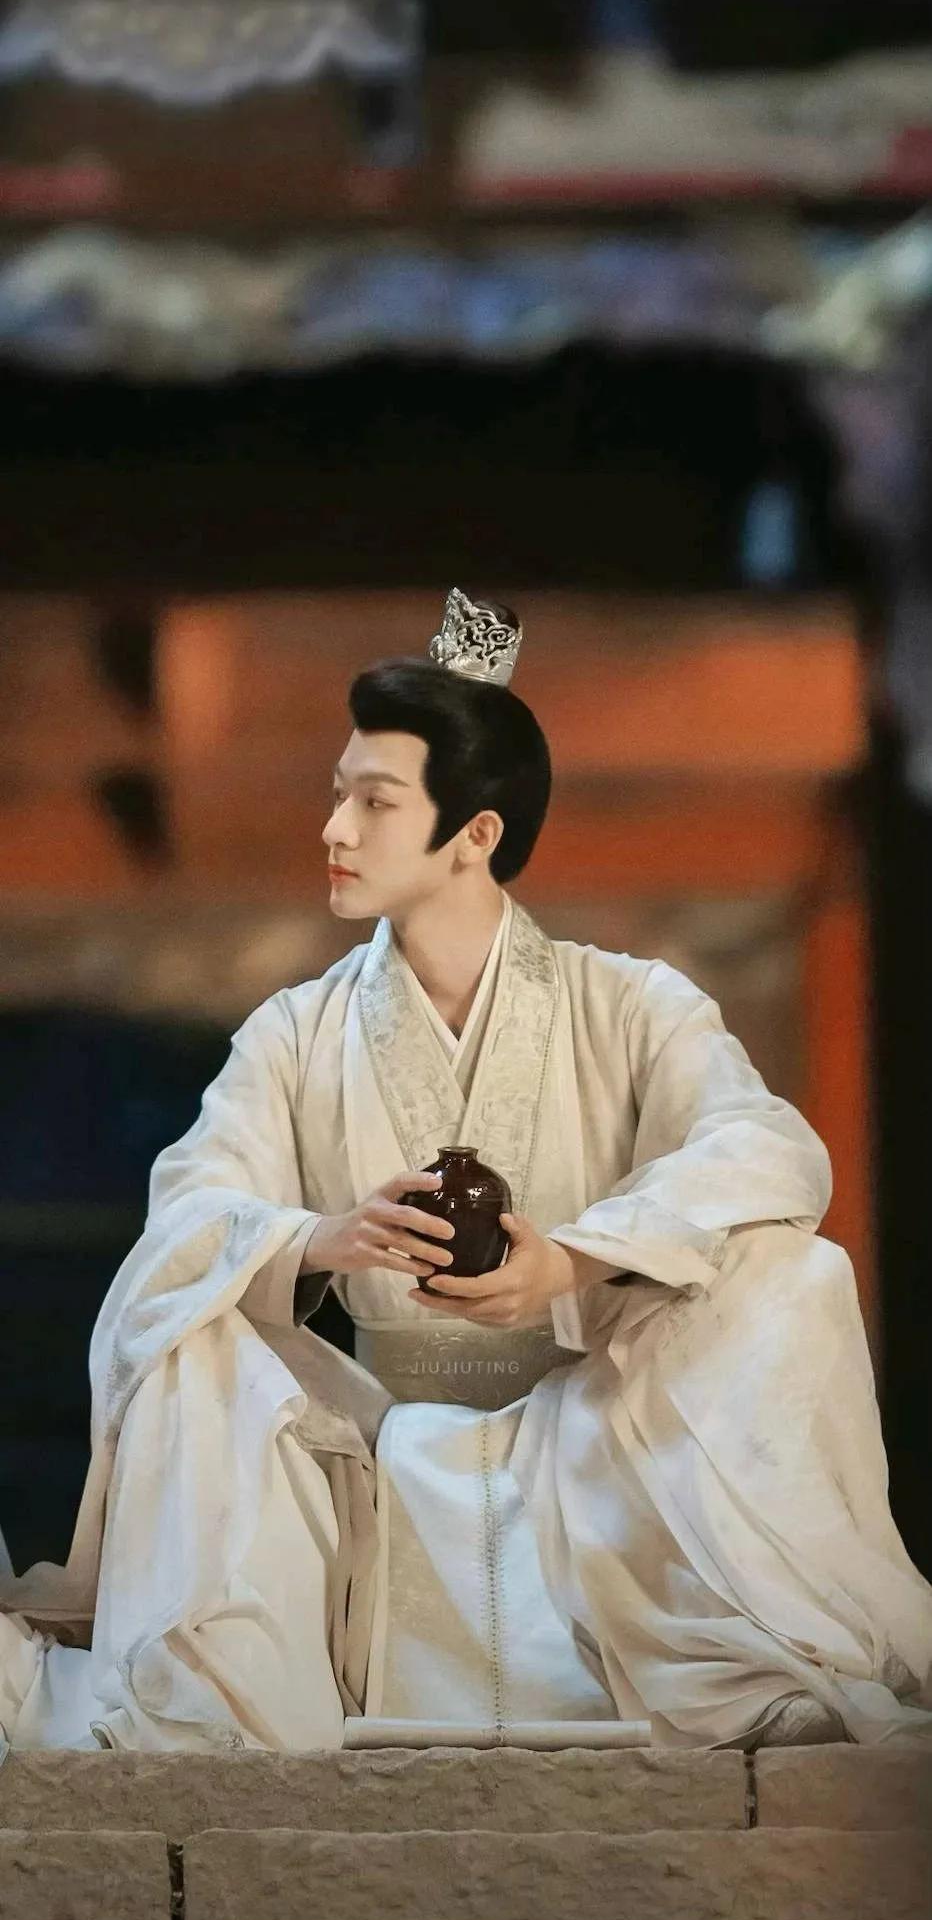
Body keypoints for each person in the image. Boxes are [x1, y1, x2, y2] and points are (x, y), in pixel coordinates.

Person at [2, 590, 930, 1755]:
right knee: (189, 1310)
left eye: (373, 800)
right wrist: (314, 1238)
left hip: (603, 1433)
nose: (334, 827)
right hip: (369, 1448)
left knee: (787, 1274)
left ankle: (741, 1654)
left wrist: (571, 1261)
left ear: (473, 833)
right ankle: (227, 1695)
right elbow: (190, 1207)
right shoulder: (294, 1033)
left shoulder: (630, 1003)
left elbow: (765, 1146)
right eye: (337, 792)